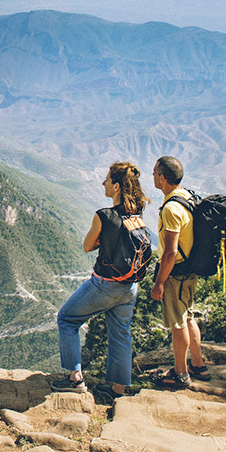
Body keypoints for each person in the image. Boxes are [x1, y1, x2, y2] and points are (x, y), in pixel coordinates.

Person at [53, 161, 150, 401]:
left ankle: (75, 379)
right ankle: (117, 390)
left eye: (107, 180)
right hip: (129, 287)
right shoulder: (136, 214)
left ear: (116, 186)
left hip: (104, 285)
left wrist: (100, 240)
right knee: (120, 333)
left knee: (66, 319)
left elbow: (87, 246)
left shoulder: (103, 216)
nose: (103, 183)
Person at [150, 155, 210, 388]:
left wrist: (160, 282)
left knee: (177, 323)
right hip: (191, 270)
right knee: (188, 316)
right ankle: (198, 365)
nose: (153, 176)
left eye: (155, 173)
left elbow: (170, 253)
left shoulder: (171, 208)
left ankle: (180, 373)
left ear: (163, 177)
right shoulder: (188, 197)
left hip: (176, 273)